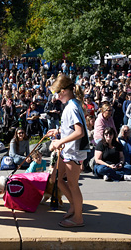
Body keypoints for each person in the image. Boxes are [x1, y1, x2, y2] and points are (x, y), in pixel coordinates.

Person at [47, 75, 89, 228]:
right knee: (55, 179)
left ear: (64, 91)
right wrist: (58, 131)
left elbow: (80, 132)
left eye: (57, 94)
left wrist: (59, 141)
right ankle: (74, 206)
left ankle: (78, 218)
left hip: (73, 152)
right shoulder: (71, 104)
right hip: (67, 151)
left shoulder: (71, 107)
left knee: (73, 185)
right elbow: (70, 128)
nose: (56, 97)